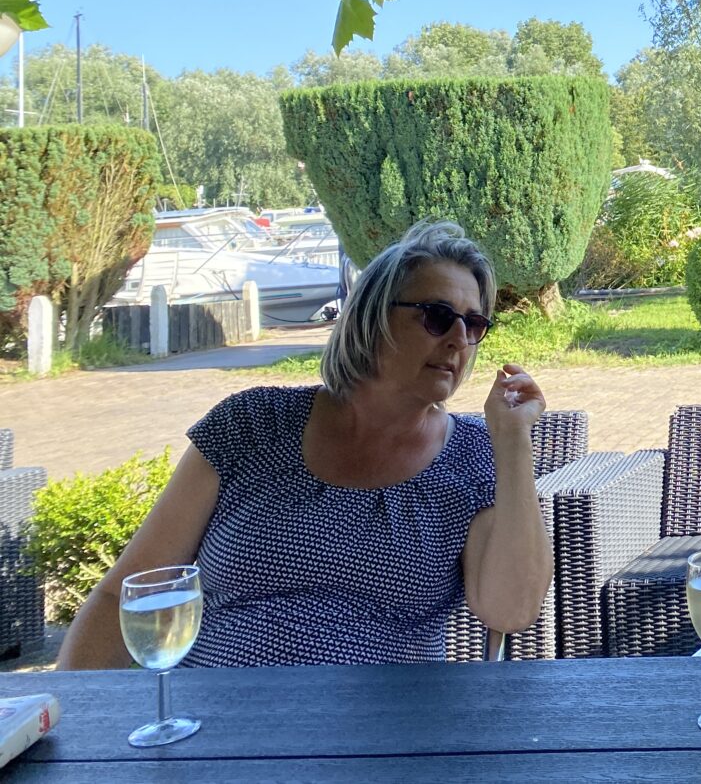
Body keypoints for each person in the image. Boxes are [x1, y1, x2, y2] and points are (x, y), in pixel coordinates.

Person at [57, 220, 553, 669]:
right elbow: (125, 595)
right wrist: (78, 734)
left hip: (385, 740)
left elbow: (510, 610)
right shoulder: (250, 426)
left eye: (474, 325)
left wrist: (512, 445)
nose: (458, 340)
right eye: (438, 316)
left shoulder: (474, 457)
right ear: (372, 318)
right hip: (215, 731)